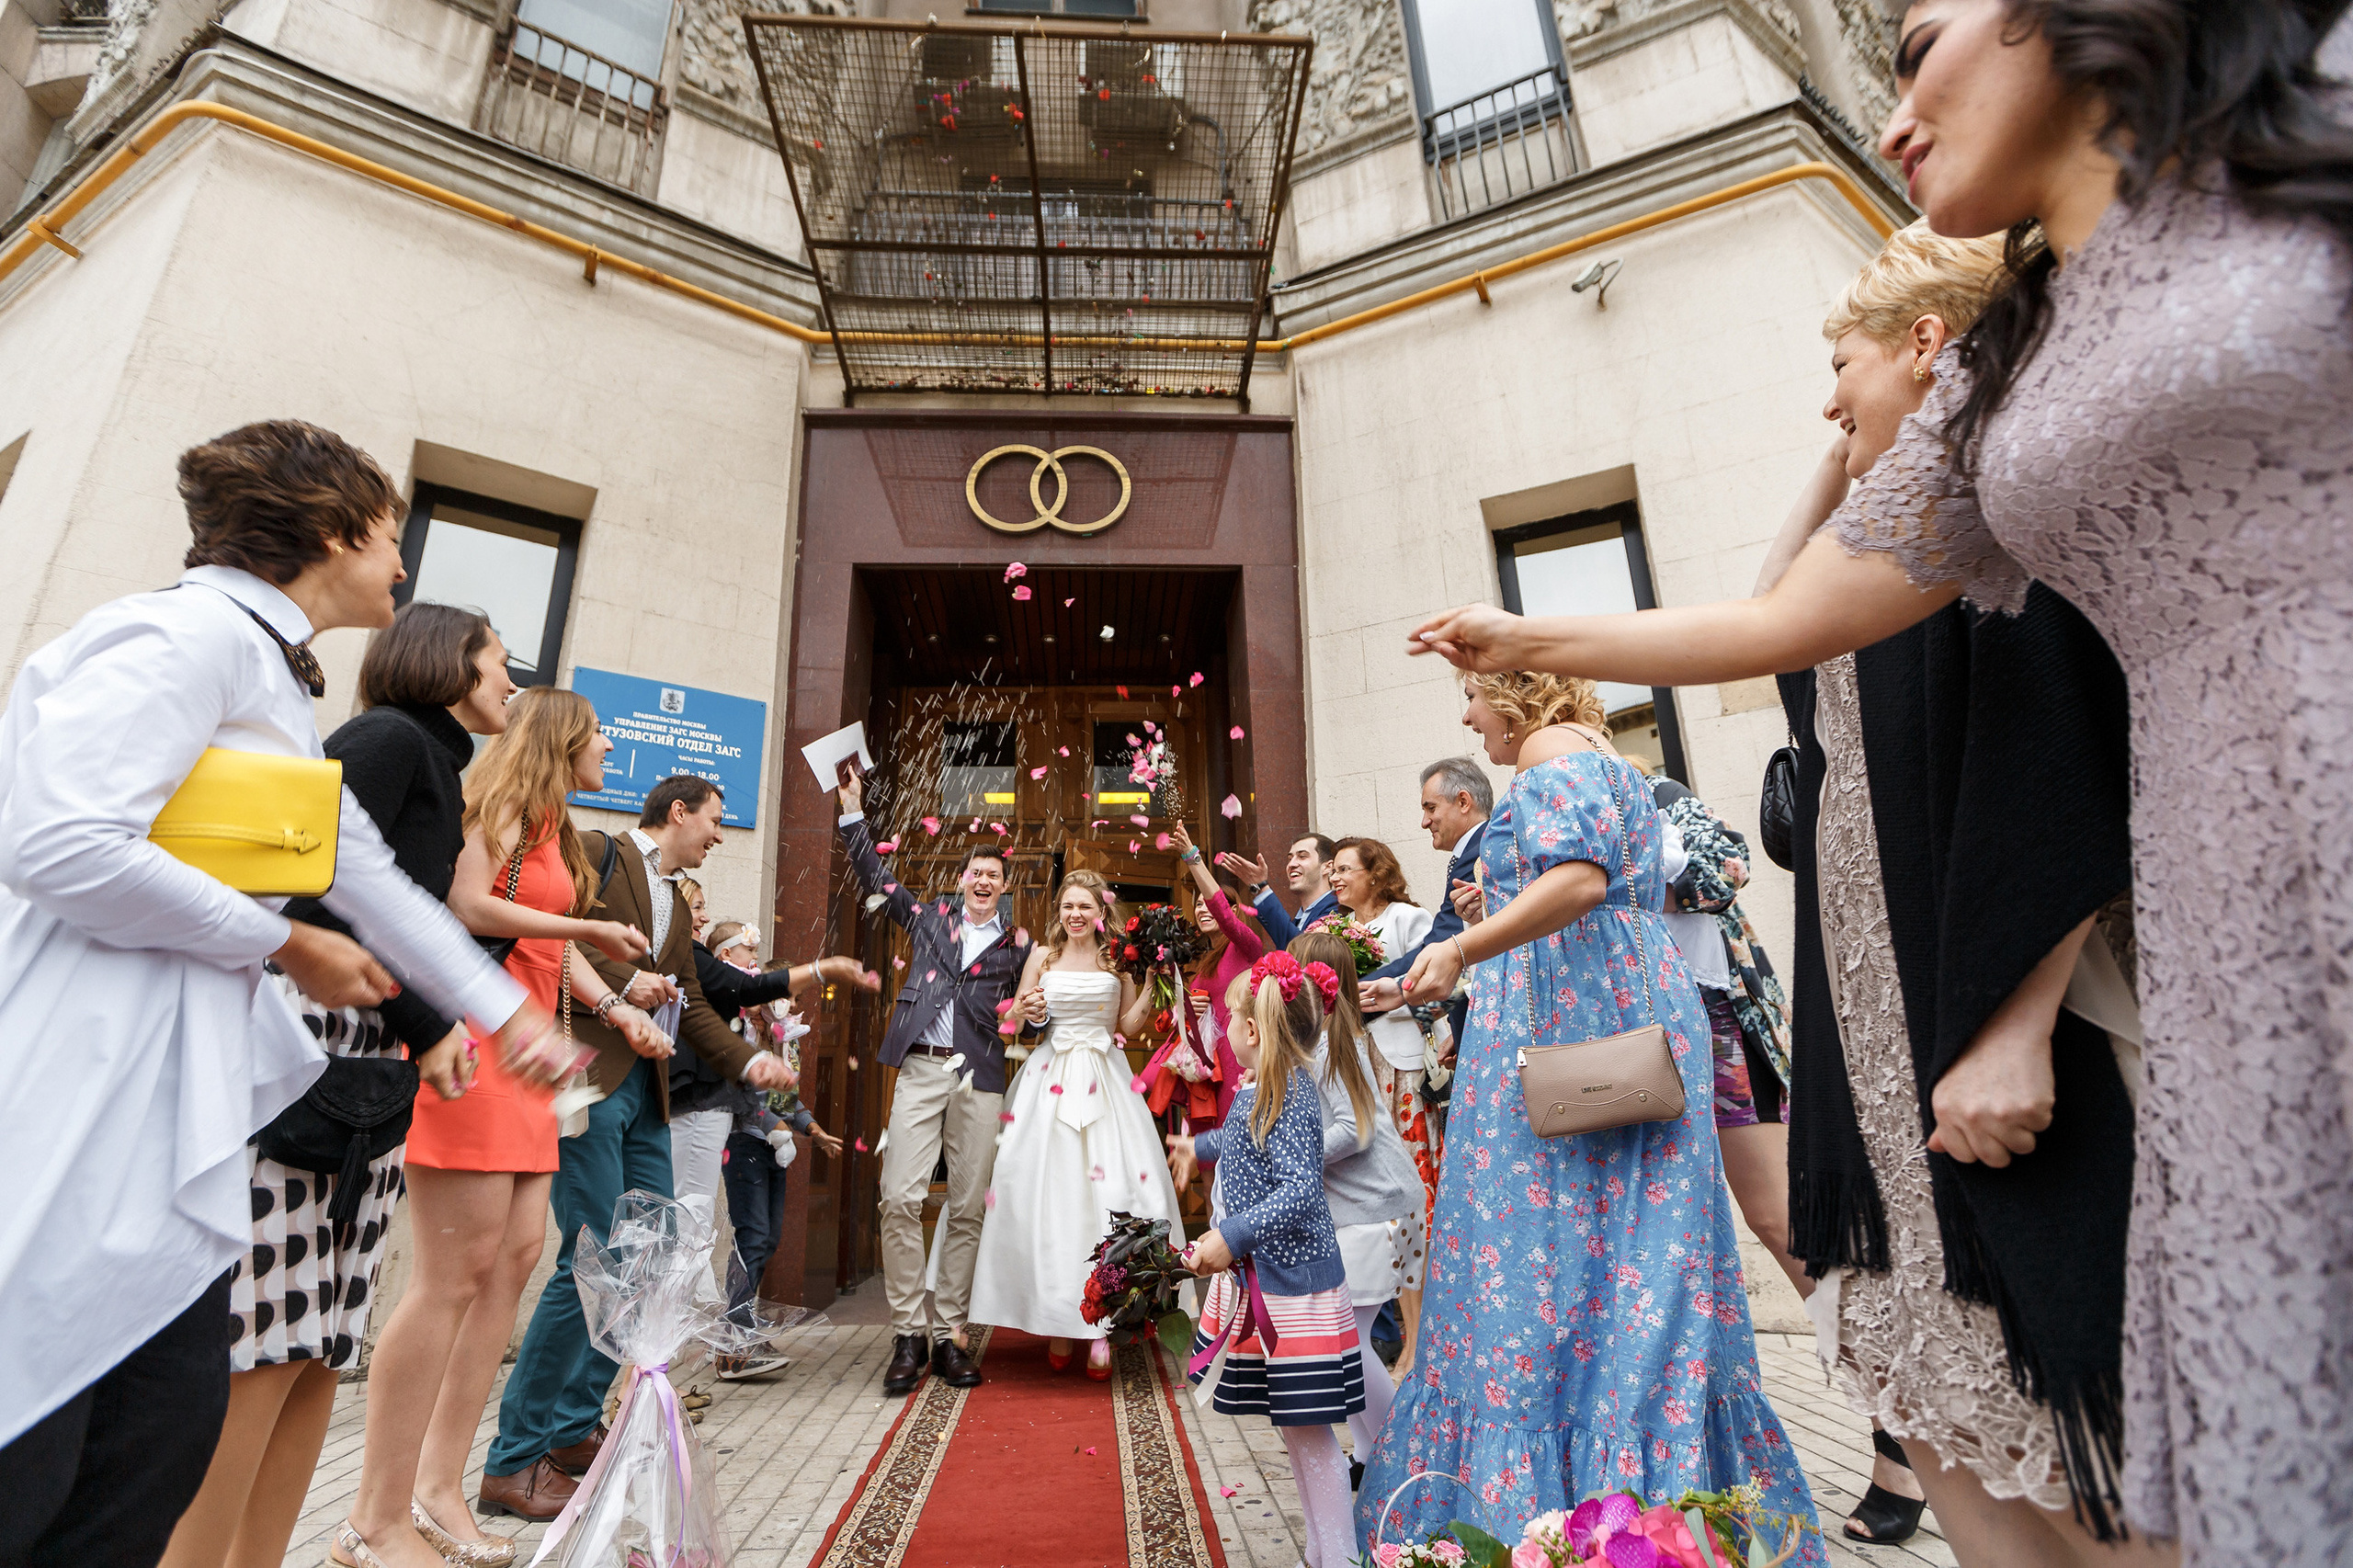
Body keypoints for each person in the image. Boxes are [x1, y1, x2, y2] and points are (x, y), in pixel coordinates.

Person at [1408, 7, 2353, 1555]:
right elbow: (1786, 611)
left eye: (1917, 39)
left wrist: (2021, 1017)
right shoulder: (2013, 366)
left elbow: (2046, 749)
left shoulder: (2288, 147)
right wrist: (1527, 623)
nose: (1894, 110)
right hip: (2211, 881)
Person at [0, 420, 554, 1568]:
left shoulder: (258, 668)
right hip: (84, 1093)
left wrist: (503, 1017)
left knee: (151, 1446)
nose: (403, 568)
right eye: (392, 537)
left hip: (169, 1113)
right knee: (52, 1454)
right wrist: (282, 942)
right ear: (334, 531)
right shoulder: (182, 634)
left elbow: (362, 871)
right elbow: (57, 839)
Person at [1357, 670, 1821, 1559]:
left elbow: (1577, 881)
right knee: (1629, 1283)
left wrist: (1462, 946)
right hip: (1619, 1022)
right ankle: (1649, 1518)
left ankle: (1548, 1523)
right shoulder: (1608, 756)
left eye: (1472, 694)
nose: (1466, 715)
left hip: (1567, 1044)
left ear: (1516, 693)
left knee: (1532, 1281)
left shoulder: (1545, 752)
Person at [155, 605, 531, 1568]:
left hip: (370, 1061)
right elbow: (307, 887)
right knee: (264, 1343)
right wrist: (430, 1021)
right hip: (307, 1047)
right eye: (500, 660)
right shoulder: (384, 739)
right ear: (451, 658)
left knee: (324, 1343)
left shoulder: (444, 767)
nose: (510, 680)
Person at [339, 685, 669, 1568]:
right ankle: (374, 1513)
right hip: (475, 1046)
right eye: (598, 737)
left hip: (532, 1058)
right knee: (454, 1275)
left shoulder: (556, 825)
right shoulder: (498, 808)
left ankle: (441, 1489)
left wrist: (617, 1003)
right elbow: (470, 907)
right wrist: (587, 923)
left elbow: (550, 955)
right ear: (561, 741)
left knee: (515, 1260)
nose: (609, 751)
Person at [479, 773, 794, 1521]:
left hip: (648, 1095)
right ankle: (513, 1458)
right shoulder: (596, 853)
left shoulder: (679, 903)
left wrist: (749, 1064)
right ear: (677, 812)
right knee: (589, 1258)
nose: (720, 835)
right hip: (585, 1079)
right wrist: (622, 992)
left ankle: (572, 1430)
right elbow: (547, 941)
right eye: (715, 821)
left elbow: (693, 997)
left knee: (646, 1259)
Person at [835, 769, 1031, 1397]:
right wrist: (851, 814)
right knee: (899, 1197)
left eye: (993, 876)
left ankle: (949, 1336)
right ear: (962, 880)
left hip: (982, 1075)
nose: (982, 881)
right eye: (975, 872)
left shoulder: (1019, 947)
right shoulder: (927, 919)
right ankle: (907, 1332)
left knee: (968, 1205)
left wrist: (1039, 1014)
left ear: (1004, 888)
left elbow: (1036, 1007)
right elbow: (875, 877)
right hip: (922, 1065)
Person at [1171, 954, 1364, 1568]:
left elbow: (1301, 1188)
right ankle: (1319, 1551)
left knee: (1310, 1435)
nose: (1224, 1027)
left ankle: (1338, 1557)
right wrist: (1195, 1145)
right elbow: (1241, 1135)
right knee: (1295, 1429)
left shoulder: (1290, 1094)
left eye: (1229, 1016)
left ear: (1252, 1032)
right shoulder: (1264, 1088)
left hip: (1293, 1290)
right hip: (1273, 1283)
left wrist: (1232, 1233)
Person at [971, 870, 1181, 1379]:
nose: (1076, 915)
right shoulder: (1042, 957)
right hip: (1050, 1079)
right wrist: (1024, 1008)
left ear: (1100, 912)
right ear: (1059, 912)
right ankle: (1060, 1321)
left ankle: (1103, 1327)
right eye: (1068, 906)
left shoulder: (1118, 959)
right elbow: (1016, 1022)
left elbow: (1126, 1027)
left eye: (1085, 906)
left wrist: (1152, 978)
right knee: (1052, 1199)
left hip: (1106, 1081)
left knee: (1109, 1196)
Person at [1649, 778, 1804, 1297]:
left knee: (1775, 1213)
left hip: (1718, 1020)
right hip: (1633, 1034)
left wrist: (1604, 893)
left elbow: (1723, 870)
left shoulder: (1659, 796)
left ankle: (1876, 1356)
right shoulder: (1547, 817)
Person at [1288, 929, 1420, 1494]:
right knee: (1353, 1338)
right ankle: (1371, 1456)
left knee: (1353, 1341)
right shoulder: (1322, 1043)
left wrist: (1296, 1158)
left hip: (1377, 1210)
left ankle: (1404, 1454)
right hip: (1369, 1209)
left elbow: (1354, 1129)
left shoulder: (1327, 1049)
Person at [705, 922, 847, 1380]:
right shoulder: (743, 1030)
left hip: (774, 1147)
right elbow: (747, 1092)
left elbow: (782, 1098)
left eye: (797, 1000)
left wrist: (811, 1128)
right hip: (746, 1142)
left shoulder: (782, 1040)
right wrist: (775, 1127)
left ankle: (742, 1331)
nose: (792, 1005)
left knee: (765, 1239)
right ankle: (733, 1344)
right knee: (752, 1237)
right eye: (786, 997)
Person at [1170, 821, 1267, 1127]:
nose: (1203, 909)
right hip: (1210, 1069)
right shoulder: (1204, 963)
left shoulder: (1246, 946)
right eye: (1198, 905)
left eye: (1209, 903)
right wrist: (1187, 1008)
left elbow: (1222, 913)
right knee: (1211, 1150)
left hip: (1242, 1060)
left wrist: (1192, 858)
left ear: (1234, 912)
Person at [1216, 833, 1337, 948]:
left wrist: (1262, 889)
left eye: (1302, 857)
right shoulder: (1300, 918)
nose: (1292, 864)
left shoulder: (1337, 911)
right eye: (1290, 858)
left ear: (1327, 867)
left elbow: (1299, 949)